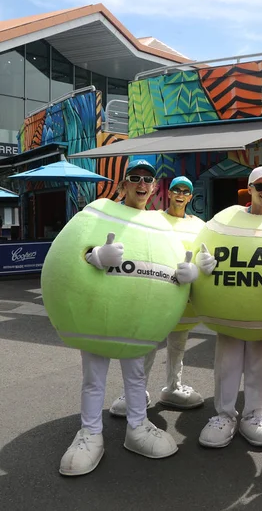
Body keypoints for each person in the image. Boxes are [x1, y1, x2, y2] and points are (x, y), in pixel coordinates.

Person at [59, 159, 197, 476]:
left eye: (147, 179)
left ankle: (138, 426)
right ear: (123, 185)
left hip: (137, 320)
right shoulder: (102, 211)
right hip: (99, 315)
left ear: (153, 187)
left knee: (136, 376)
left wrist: (186, 275)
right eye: (134, 178)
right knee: (94, 379)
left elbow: (173, 263)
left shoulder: (157, 223)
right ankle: (90, 433)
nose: (141, 183)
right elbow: (76, 251)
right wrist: (95, 256)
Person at [196, 166, 262, 448]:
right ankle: (224, 415)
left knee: (261, 363)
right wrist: (202, 265)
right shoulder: (226, 218)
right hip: (230, 310)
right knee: (228, 362)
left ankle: (255, 415)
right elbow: (204, 249)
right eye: (261, 186)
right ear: (250, 188)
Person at [109, 176, 204, 417]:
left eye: (185, 191)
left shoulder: (199, 225)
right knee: (147, 344)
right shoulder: (154, 219)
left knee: (179, 343)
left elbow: (205, 255)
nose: (180, 194)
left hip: (185, 296)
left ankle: (173, 386)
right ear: (168, 193)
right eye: (176, 190)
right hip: (155, 294)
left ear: (190, 196)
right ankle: (135, 391)